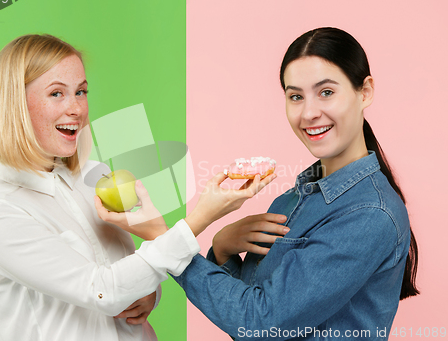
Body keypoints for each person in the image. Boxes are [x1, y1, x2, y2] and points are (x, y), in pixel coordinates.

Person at [102, 27, 419, 340]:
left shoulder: (369, 213)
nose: (309, 112)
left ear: (365, 92)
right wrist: (224, 250)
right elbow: (257, 305)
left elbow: (260, 323)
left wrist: (164, 238)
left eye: (326, 92)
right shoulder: (293, 198)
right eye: (295, 96)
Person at [0, 34, 276, 341]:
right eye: (57, 93)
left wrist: (149, 295)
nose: (77, 109)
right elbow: (105, 290)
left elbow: (132, 274)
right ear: (15, 104)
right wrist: (200, 218)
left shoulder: (93, 177)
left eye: (81, 92)